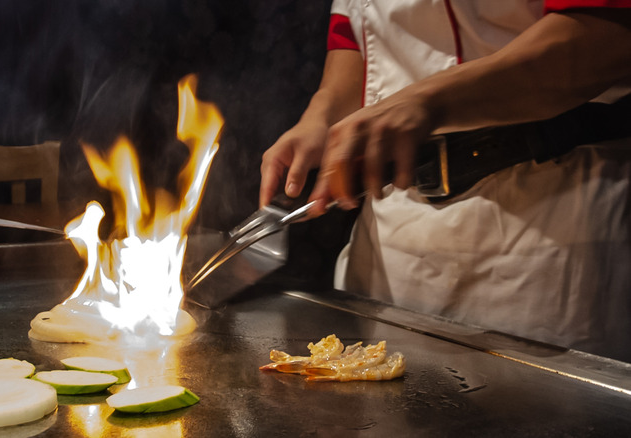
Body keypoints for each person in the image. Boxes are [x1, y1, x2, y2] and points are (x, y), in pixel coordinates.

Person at [259, 0, 631, 361]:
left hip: (547, 222)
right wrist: (322, 115)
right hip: (391, 233)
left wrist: (428, 100)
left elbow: (607, 36)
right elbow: (360, 33)